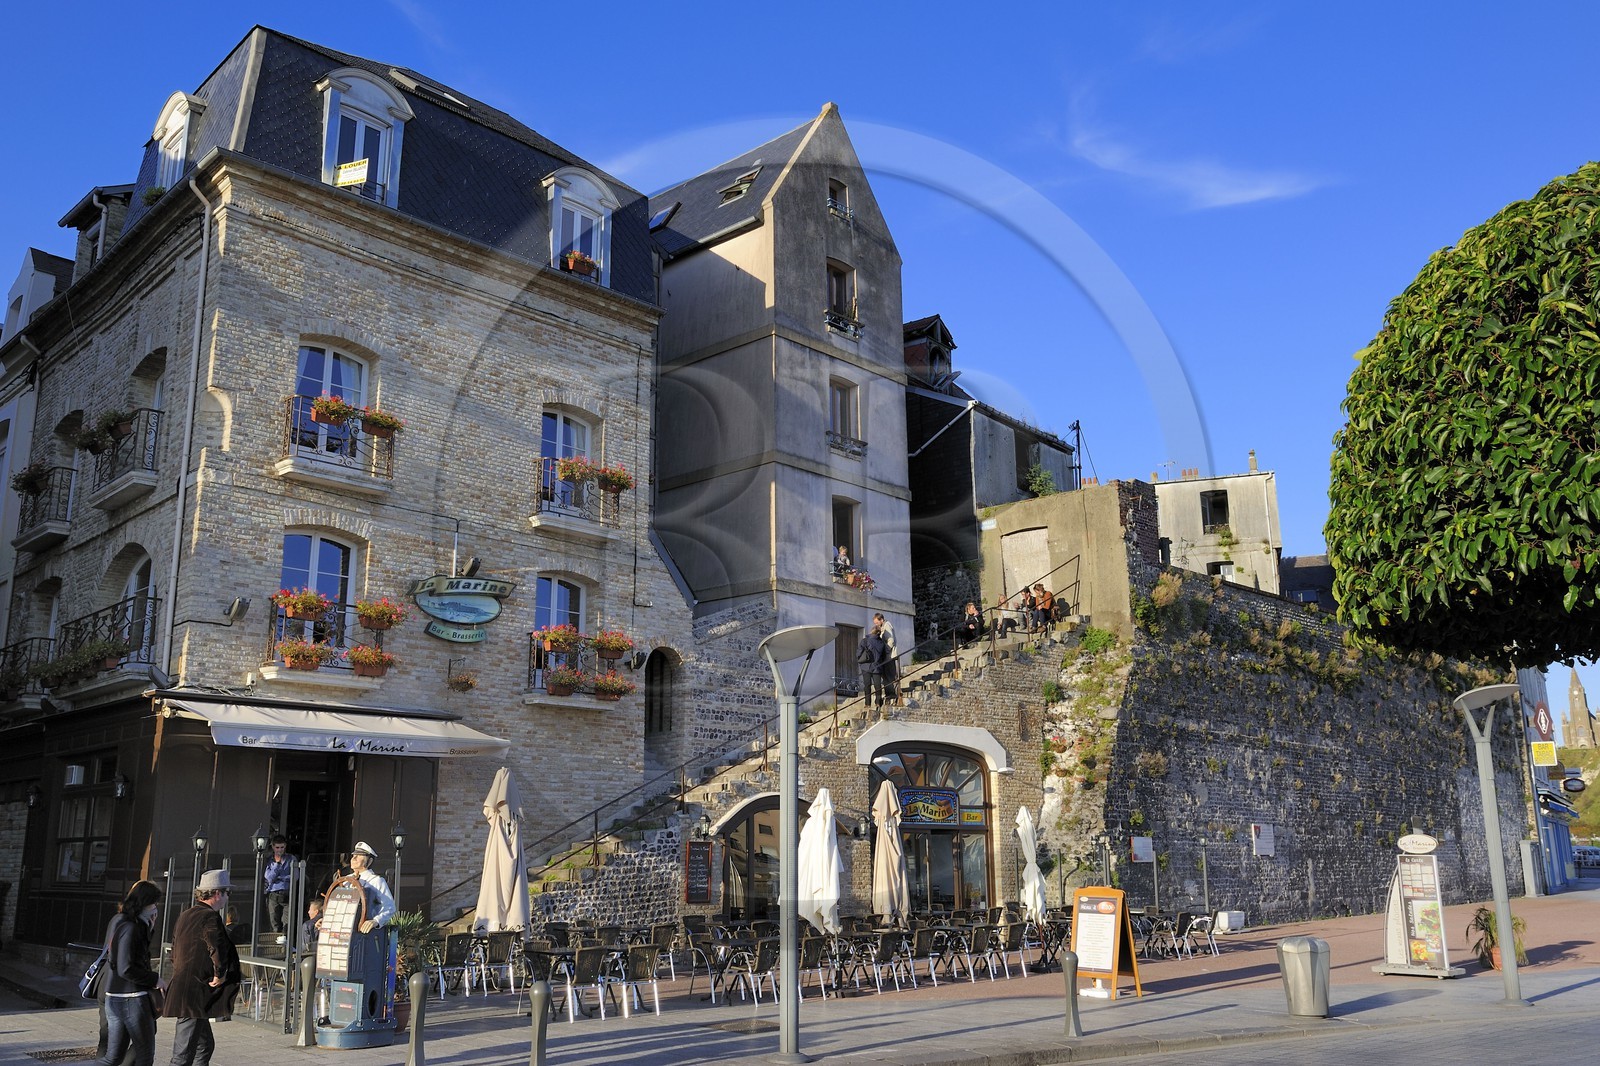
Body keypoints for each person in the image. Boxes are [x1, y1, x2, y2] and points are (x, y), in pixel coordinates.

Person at [164, 869, 241, 1066]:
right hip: (193, 993)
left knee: (204, 1046)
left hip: (189, 990)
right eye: (226, 892)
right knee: (183, 1054)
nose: (227, 897)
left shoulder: (186, 914)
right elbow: (214, 945)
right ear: (217, 893)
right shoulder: (209, 917)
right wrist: (219, 974)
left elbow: (174, 951)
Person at [97, 880, 164, 1066]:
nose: (155, 908)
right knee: (144, 1055)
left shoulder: (128, 923)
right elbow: (126, 967)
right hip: (131, 997)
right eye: (154, 903)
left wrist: (150, 928)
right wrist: (155, 979)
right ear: (145, 903)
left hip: (116, 996)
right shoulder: (131, 927)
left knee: (113, 1057)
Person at [349, 841, 396, 933]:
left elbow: (390, 908)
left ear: (369, 861)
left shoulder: (376, 881)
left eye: (358, 856)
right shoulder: (346, 880)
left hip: (363, 932)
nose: (354, 858)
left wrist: (376, 921)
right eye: (353, 855)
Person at [263, 834, 295, 941]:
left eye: (282, 847)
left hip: (287, 893)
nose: (279, 850)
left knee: (287, 922)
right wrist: (277, 864)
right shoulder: (270, 860)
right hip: (273, 894)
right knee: (274, 921)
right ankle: (274, 943)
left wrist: (280, 878)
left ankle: (285, 944)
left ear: (285, 846)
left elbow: (295, 876)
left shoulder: (291, 859)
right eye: (277, 847)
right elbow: (269, 877)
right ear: (273, 847)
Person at [857, 625, 890, 711]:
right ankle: (878, 702)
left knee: (867, 685)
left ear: (871, 631)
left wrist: (860, 660)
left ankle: (867, 704)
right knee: (877, 686)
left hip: (866, 666)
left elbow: (859, 653)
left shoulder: (865, 641)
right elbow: (885, 655)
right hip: (877, 667)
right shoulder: (882, 643)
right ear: (879, 633)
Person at [872, 612, 900, 704]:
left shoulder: (887, 625)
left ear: (881, 620)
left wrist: (886, 650)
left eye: (876, 623)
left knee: (888, 675)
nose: (876, 625)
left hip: (889, 655)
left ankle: (891, 693)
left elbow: (891, 640)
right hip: (887, 655)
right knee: (886, 675)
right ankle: (889, 693)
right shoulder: (883, 627)